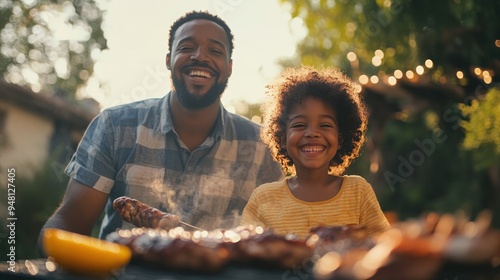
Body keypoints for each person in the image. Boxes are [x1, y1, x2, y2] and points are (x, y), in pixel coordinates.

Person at [38, 10, 283, 250]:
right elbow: (70, 223)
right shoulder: (114, 126)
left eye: (215, 51)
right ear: (168, 60)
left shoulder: (261, 147)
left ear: (229, 67)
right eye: (186, 47)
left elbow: (275, 238)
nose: (200, 56)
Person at [241, 66, 390, 238]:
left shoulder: (358, 191)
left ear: (341, 138)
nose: (312, 133)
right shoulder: (263, 198)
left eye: (325, 125)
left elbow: (383, 245)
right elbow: (246, 251)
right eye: (299, 125)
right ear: (282, 138)